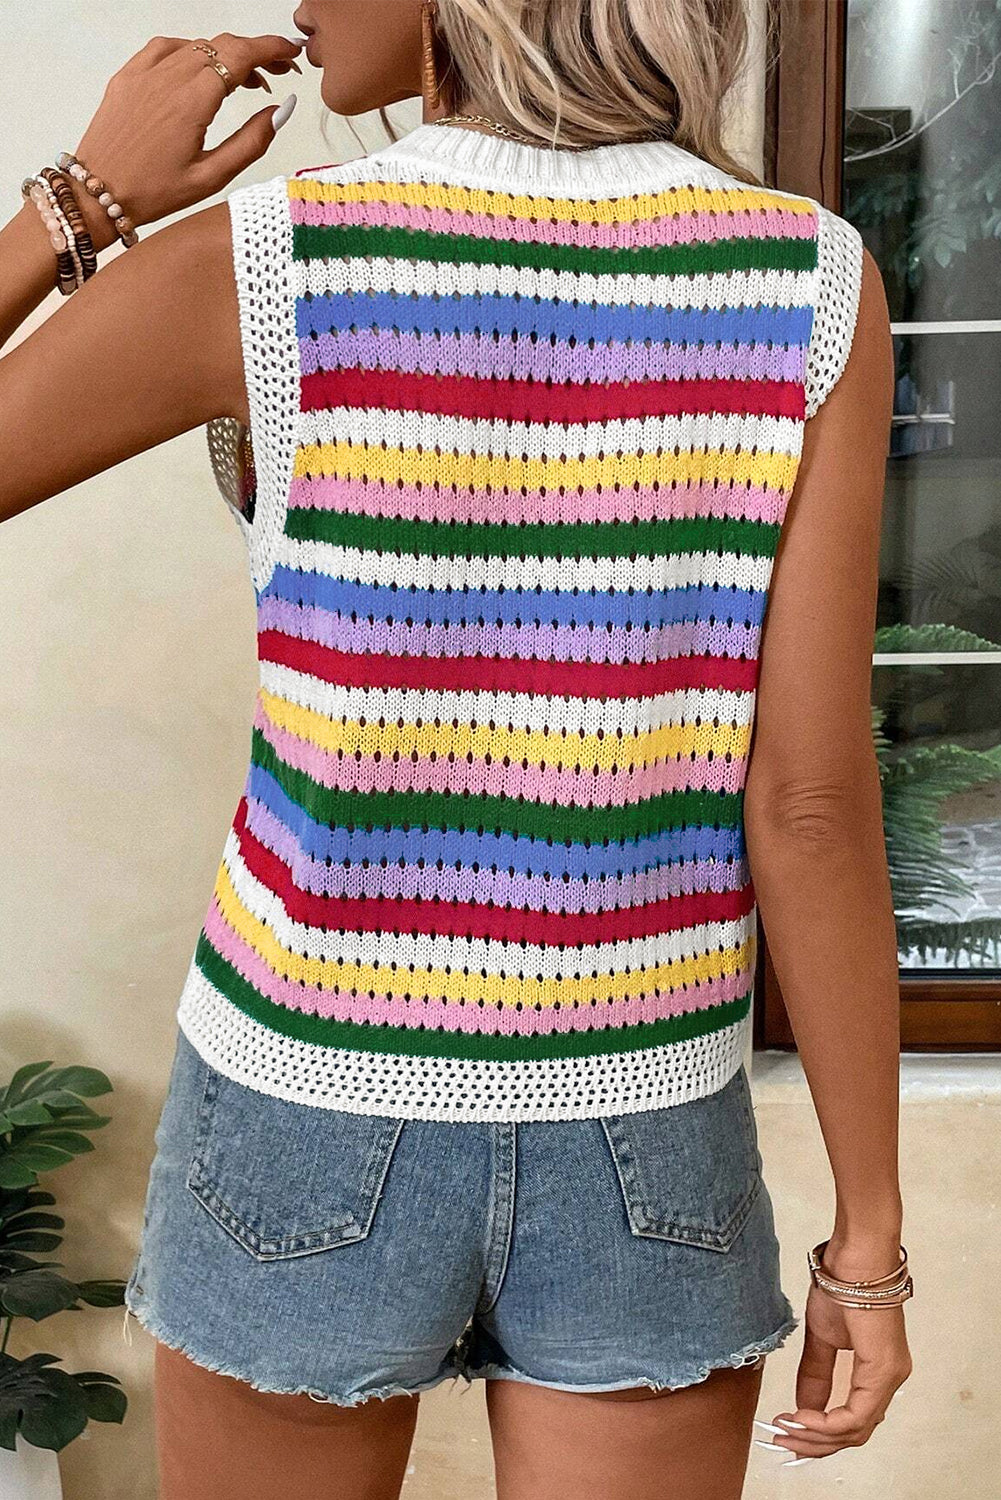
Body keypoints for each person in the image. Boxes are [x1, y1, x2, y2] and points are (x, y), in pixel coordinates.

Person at [0, 3, 913, 1497]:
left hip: (305, 1089)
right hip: (646, 1112)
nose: (302, 6)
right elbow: (807, 803)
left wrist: (77, 205)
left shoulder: (273, 262)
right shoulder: (807, 281)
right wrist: (867, 1241)